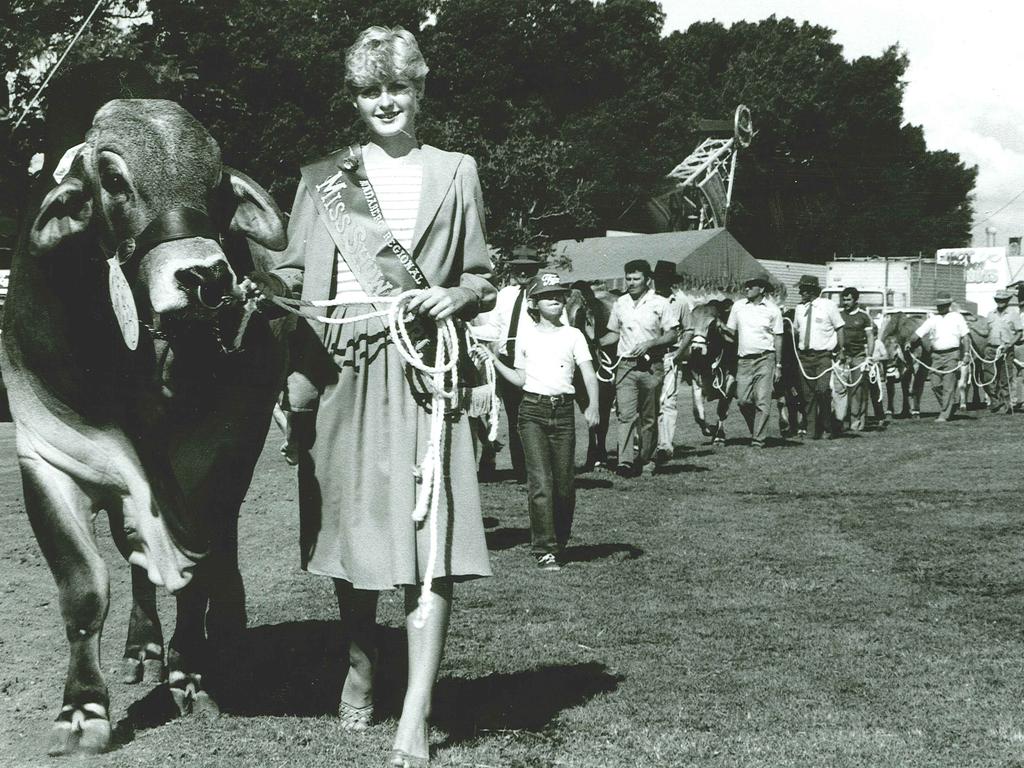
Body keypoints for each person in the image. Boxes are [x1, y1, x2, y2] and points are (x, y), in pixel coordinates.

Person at [261, 26, 494, 768]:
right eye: (370, 90)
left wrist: (455, 296)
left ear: (420, 90)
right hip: (341, 370)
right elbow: (293, 279)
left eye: (397, 87)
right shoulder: (324, 180)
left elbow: (482, 275)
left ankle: (415, 717)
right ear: (356, 98)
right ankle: (362, 661)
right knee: (353, 538)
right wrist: (253, 289)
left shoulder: (457, 171)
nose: (385, 101)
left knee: (432, 545)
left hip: (426, 374)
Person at [487, 272, 600, 570]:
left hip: (563, 413)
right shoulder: (526, 337)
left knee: (564, 486)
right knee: (540, 482)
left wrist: (593, 407)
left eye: (559, 296)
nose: (556, 300)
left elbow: (589, 373)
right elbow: (520, 378)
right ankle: (545, 548)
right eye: (548, 296)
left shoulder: (573, 336)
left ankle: (559, 541)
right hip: (531, 413)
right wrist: (495, 361)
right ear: (533, 303)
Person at [599, 259, 680, 476]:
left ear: (647, 280)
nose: (631, 283)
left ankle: (647, 459)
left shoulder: (660, 303)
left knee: (649, 416)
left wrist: (650, 343)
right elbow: (614, 333)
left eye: (636, 279)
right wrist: (593, 342)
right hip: (625, 366)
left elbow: (673, 334)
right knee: (625, 414)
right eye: (628, 278)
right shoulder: (620, 303)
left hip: (651, 366)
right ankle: (624, 462)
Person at [474, 249, 541, 479]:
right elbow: (495, 330)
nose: (522, 271)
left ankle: (538, 469)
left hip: (534, 361)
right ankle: (521, 470)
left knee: (533, 415)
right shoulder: (505, 294)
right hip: (507, 361)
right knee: (514, 418)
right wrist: (466, 330)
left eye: (528, 267)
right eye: (518, 266)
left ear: (537, 268)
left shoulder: (544, 293)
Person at [721, 276, 783, 448]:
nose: (746, 288)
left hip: (765, 358)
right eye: (746, 286)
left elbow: (778, 337)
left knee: (763, 400)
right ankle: (756, 428)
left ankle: (758, 439)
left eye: (751, 286)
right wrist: (718, 326)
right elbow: (730, 332)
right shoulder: (738, 306)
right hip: (744, 361)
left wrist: (778, 365)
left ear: (761, 289)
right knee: (742, 400)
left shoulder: (773, 310)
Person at [792, 274, 846, 439]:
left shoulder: (828, 306)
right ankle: (812, 430)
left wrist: (842, 350)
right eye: (801, 290)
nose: (801, 293)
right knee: (807, 395)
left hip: (823, 356)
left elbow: (840, 328)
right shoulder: (799, 309)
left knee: (822, 390)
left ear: (813, 290)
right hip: (804, 357)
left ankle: (828, 426)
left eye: (804, 289)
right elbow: (796, 330)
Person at [907, 291, 969, 422]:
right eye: (939, 305)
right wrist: (909, 342)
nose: (940, 307)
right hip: (936, 356)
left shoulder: (957, 317)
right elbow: (918, 334)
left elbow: (965, 337)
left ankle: (944, 415)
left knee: (948, 385)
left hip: (952, 354)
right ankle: (949, 406)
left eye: (943, 305)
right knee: (935, 384)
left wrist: (967, 354)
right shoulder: (933, 319)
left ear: (949, 304)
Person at [653, 260, 692, 463]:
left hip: (670, 356)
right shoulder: (646, 301)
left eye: (664, 280)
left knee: (668, 400)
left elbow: (689, 330)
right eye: (657, 280)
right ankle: (644, 442)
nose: (660, 284)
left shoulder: (681, 302)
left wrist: (680, 352)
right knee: (648, 400)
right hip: (649, 357)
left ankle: (665, 446)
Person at [834, 287, 876, 432]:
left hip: (859, 357)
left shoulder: (864, 316)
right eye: (844, 299)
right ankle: (841, 420)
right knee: (840, 388)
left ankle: (857, 421)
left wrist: (869, 357)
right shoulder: (838, 315)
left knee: (857, 390)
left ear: (855, 300)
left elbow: (870, 337)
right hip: (842, 357)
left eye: (849, 299)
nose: (846, 302)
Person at [982, 289, 1022, 414]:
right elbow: (985, 331)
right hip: (990, 349)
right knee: (987, 377)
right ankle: (995, 400)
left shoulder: (1013, 315)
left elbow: (1019, 332)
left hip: (1006, 349)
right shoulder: (990, 314)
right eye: (998, 300)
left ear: (1007, 301)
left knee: (1005, 379)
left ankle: (1005, 404)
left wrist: (1009, 344)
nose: (1000, 302)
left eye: (1003, 300)